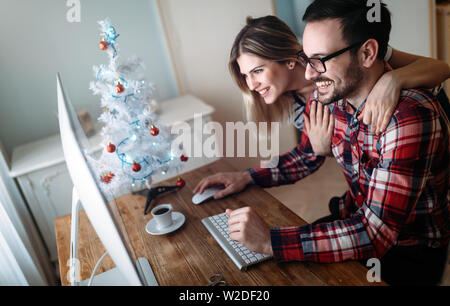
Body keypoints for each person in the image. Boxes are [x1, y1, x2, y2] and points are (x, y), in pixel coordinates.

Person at [194, 2, 450, 285]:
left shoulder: (407, 117)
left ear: (367, 53)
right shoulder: (333, 94)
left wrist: (271, 241)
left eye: (318, 60)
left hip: (407, 248)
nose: (308, 74)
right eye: (307, 59)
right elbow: (306, 155)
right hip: (353, 216)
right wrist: (247, 176)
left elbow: (374, 234)